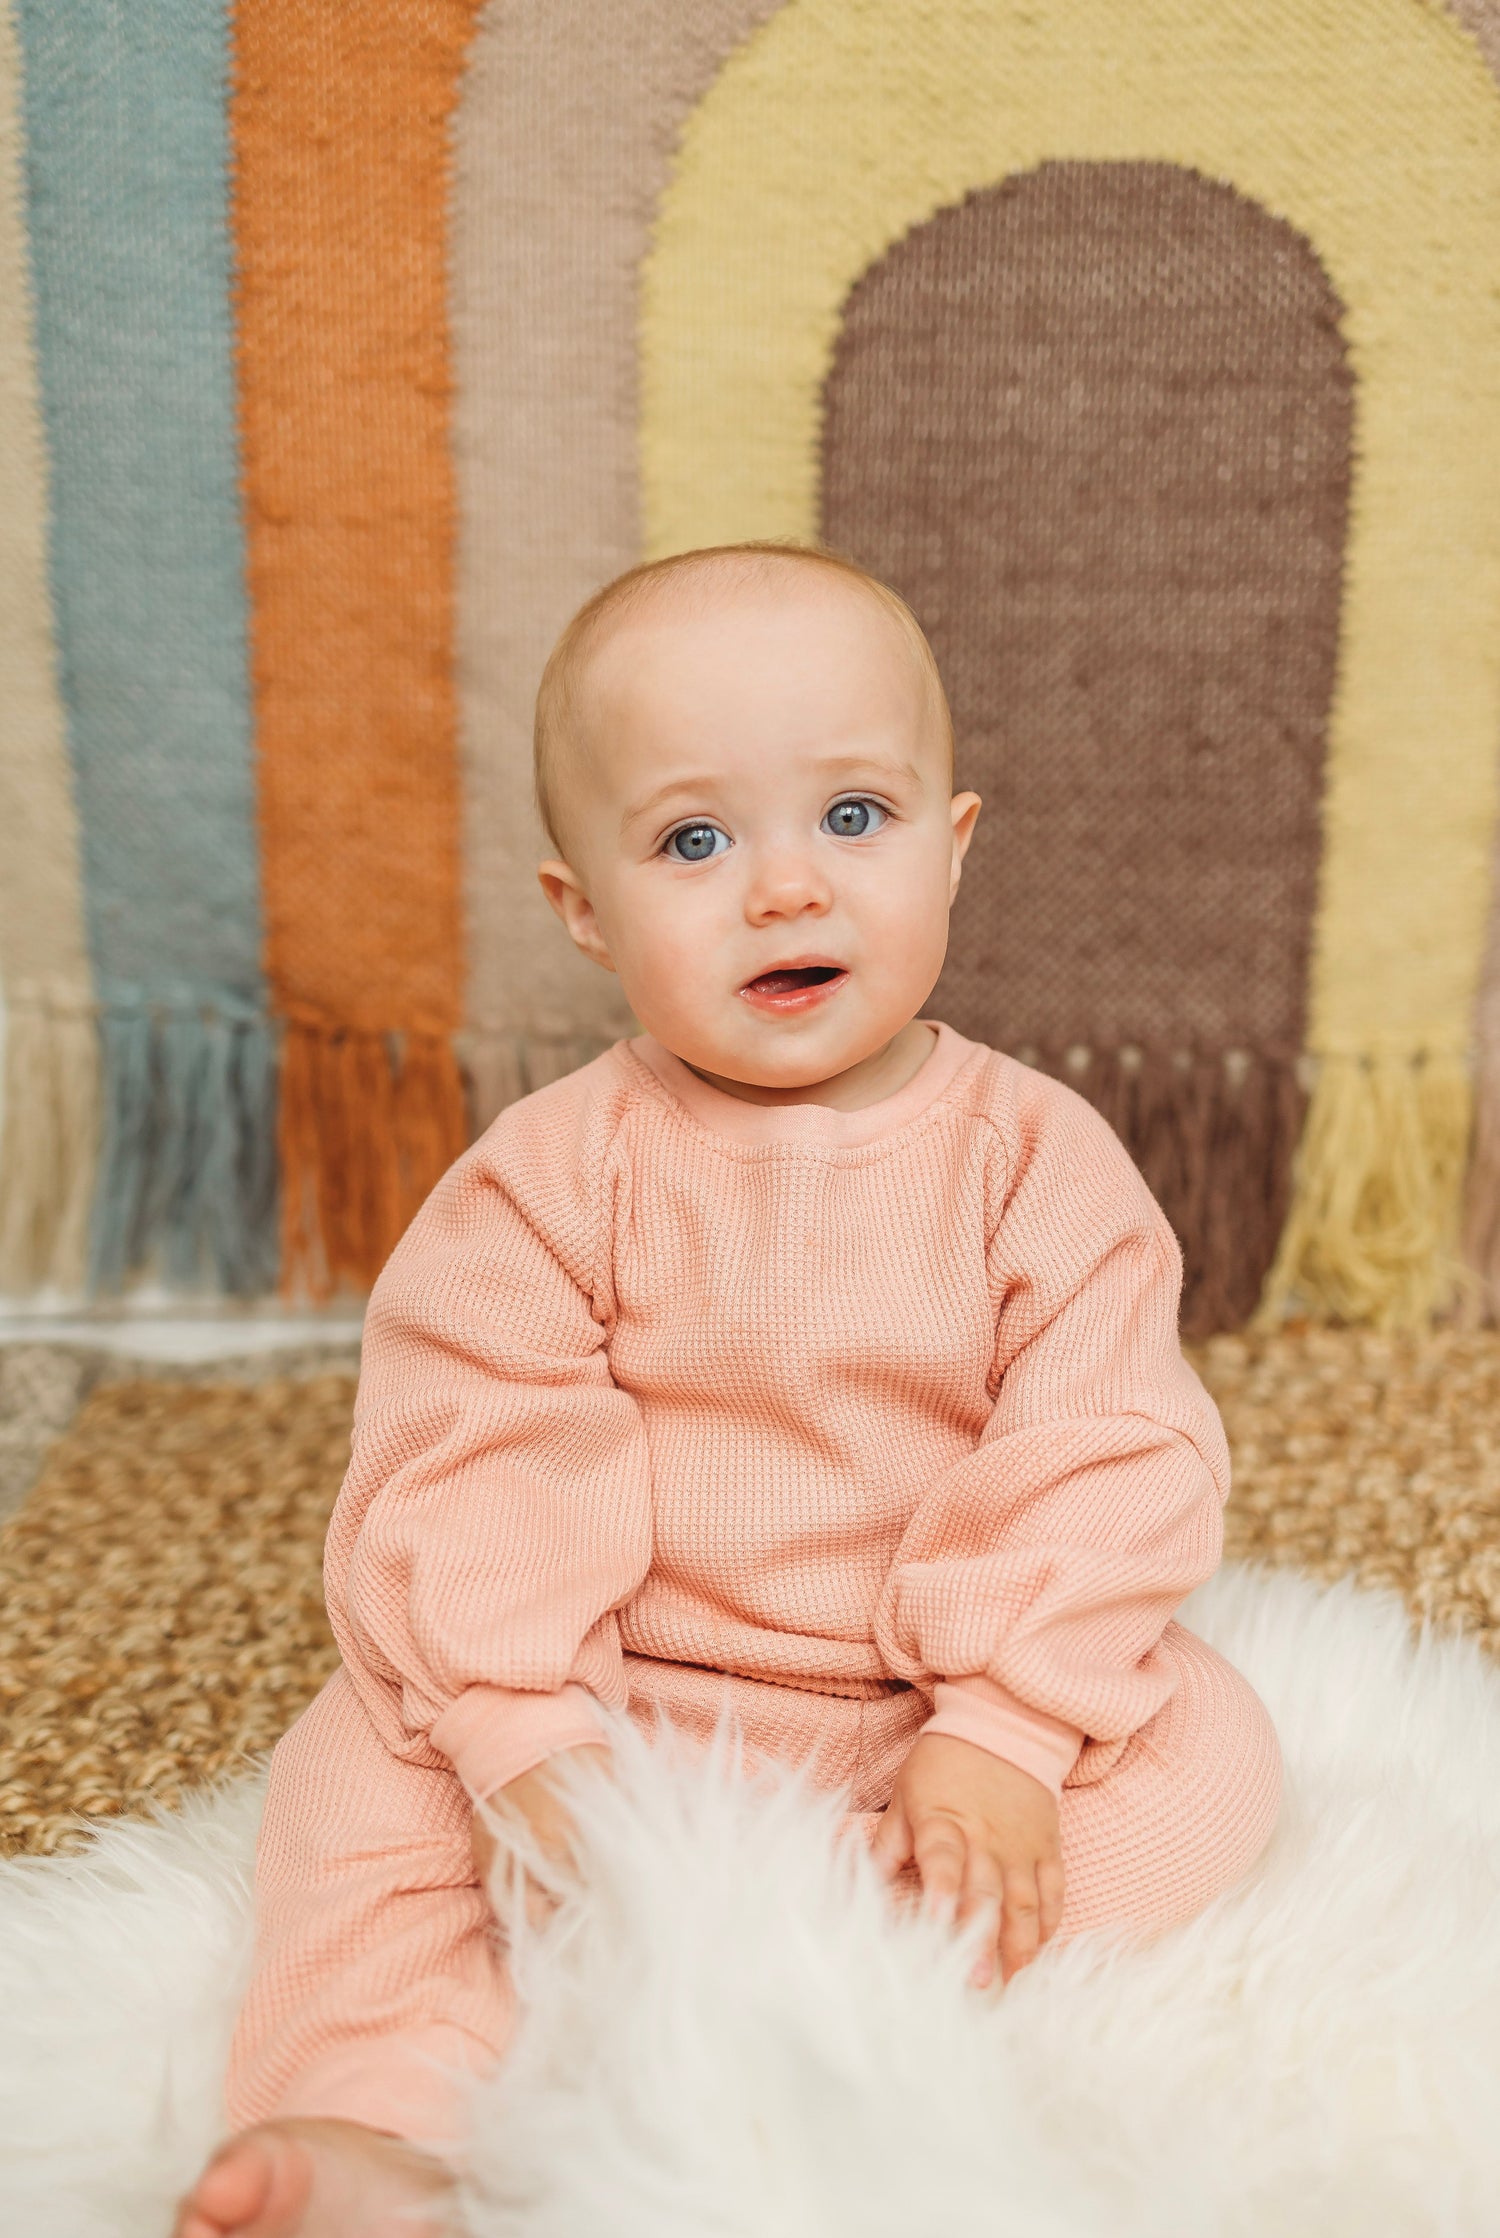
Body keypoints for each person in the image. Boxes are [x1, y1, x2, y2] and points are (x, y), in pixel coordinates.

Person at [175, 543, 1280, 2238]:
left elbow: (1106, 1448)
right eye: (696, 841)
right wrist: (523, 1733)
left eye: (854, 816)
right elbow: (470, 1454)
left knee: (1213, 1755)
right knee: (362, 1786)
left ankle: (842, 1978)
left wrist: (1002, 1730)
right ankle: (382, 2121)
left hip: (918, 1701)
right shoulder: (550, 1175)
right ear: (584, 911)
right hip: (617, 1697)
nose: (786, 888)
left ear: (952, 845)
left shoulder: (1036, 1159)